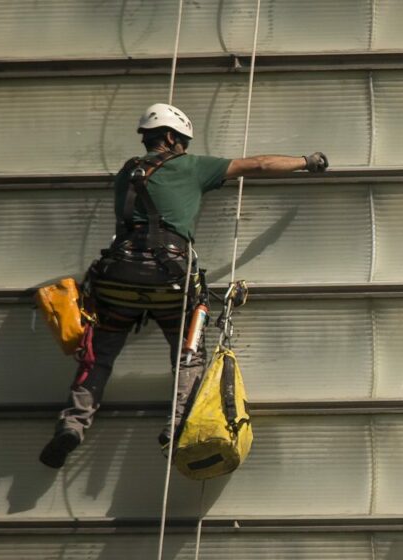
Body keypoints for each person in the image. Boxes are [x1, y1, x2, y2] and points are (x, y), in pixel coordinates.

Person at [39, 103, 329, 469]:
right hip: (169, 280)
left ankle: (73, 425)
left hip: (117, 278)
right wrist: (306, 161)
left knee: (98, 355)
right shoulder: (191, 167)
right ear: (172, 138)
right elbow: (257, 165)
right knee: (188, 353)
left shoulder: (125, 173)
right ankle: (177, 426)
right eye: (184, 143)